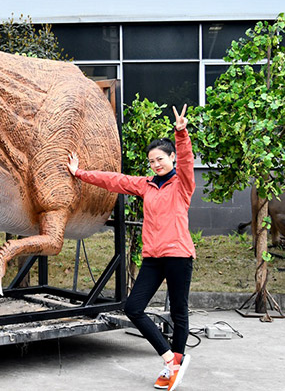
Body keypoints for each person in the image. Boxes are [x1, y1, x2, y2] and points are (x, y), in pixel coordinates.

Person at [67, 105, 194, 391]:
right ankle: (170, 358)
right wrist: (79, 173)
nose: (156, 165)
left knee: (179, 311)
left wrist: (181, 132)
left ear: (171, 158)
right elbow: (114, 180)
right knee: (133, 308)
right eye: (152, 161)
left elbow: (187, 160)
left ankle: (175, 362)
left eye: (160, 159)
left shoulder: (182, 184)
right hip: (152, 257)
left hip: (178, 255)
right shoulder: (146, 185)